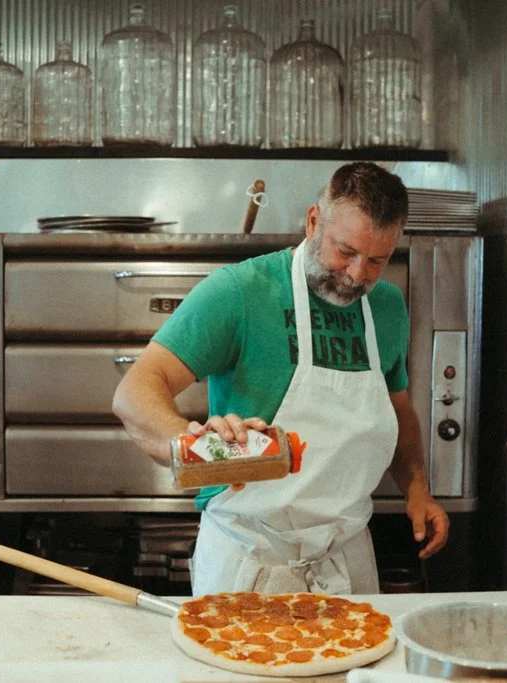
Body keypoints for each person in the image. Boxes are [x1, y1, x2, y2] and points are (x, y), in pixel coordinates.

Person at [112, 162, 449, 596]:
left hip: (346, 560)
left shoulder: (386, 307)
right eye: (345, 251)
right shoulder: (240, 291)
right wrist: (200, 448)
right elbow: (135, 391)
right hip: (248, 560)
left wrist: (417, 488)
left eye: (376, 261)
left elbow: (397, 408)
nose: (356, 274)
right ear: (313, 221)